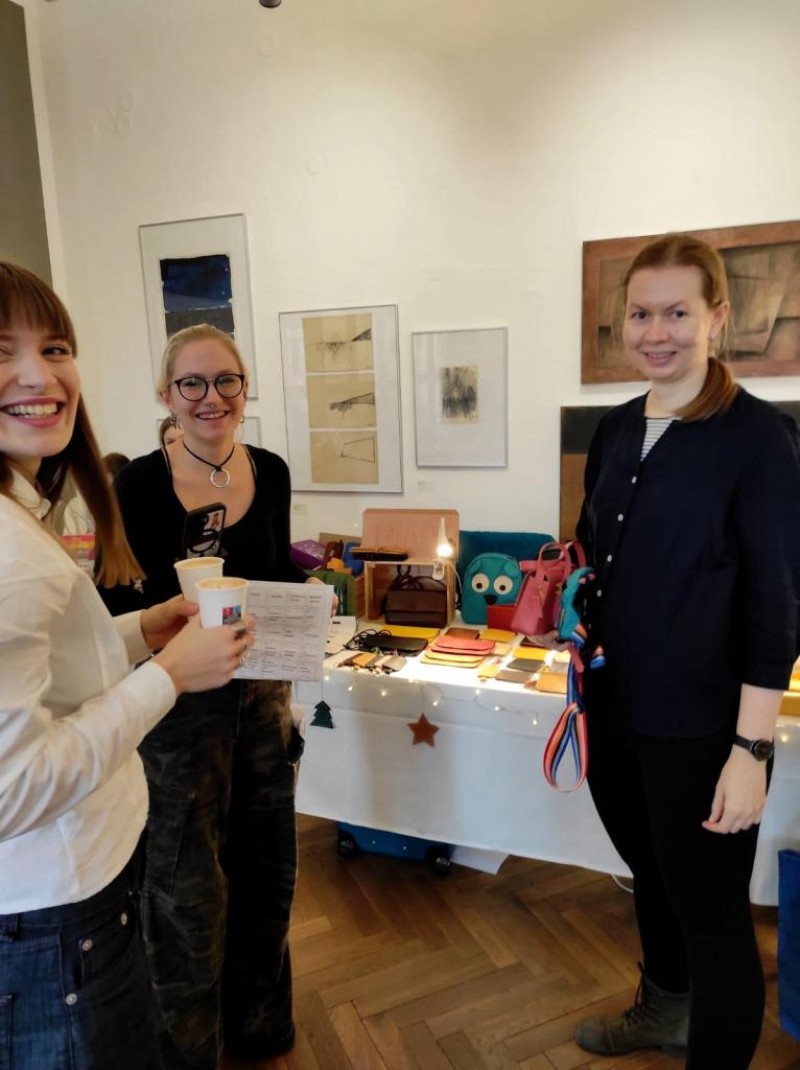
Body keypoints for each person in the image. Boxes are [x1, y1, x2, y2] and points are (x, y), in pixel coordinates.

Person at [0, 262, 253, 1069]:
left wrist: (144, 631)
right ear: (164, 395)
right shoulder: (17, 548)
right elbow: (12, 787)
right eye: (2, 352)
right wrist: (168, 673)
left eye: (55, 348)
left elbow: (56, 671)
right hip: (54, 912)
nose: (39, 376)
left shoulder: (23, 515)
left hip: (76, 896)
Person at [568, 235, 800, 1068]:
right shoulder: (615, 431)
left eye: (676, 312)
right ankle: (665, 1009)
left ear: (717, 318)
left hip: (702, 729)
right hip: (615, 712)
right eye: (640, 314)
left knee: (714, 916)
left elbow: (777, 607)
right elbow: (595, 557)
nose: (655, 332)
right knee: (652, 873)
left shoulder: (759, 439)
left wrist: (750, 750)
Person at [103, 323, 311, 1069]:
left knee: (267, 865)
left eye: (226, 380)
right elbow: (118, 606)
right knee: (184, 882)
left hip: (261, 698)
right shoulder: (136, 485)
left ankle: (258, 1023)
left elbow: (277, 574)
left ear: (245, 388)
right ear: (167, 395)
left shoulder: (272, 471)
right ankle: (188, 1047)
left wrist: (309, 600)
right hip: (177, 710)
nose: (211, 397)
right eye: (191, 383)